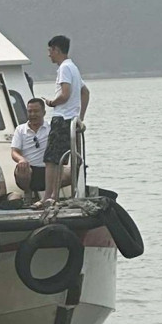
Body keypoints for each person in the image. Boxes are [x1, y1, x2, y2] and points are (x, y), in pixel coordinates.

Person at [39, 35, 90, 208]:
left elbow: (65, 94)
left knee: (51, 160)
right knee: (59, 158)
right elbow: (85, 92)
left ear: (56, 50)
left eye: (50, 51)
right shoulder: (73, 67)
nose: (49, 55)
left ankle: (48, 196)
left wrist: (51, 102)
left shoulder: (64, 68)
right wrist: (80, 116)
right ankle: (54, 195)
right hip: (71, 119)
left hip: (62, 118)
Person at [11, 98, 62, 204]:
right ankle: (28, 192)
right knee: (21, 169)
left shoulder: (51, 128)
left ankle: (54, 195)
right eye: (30, 111)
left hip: (49, 169)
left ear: (44, 112)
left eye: (36, 111)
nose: (33, 114)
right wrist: (21, 160)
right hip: (30, 170)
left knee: (71, 171)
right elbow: (14, 151)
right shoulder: (20, 129)